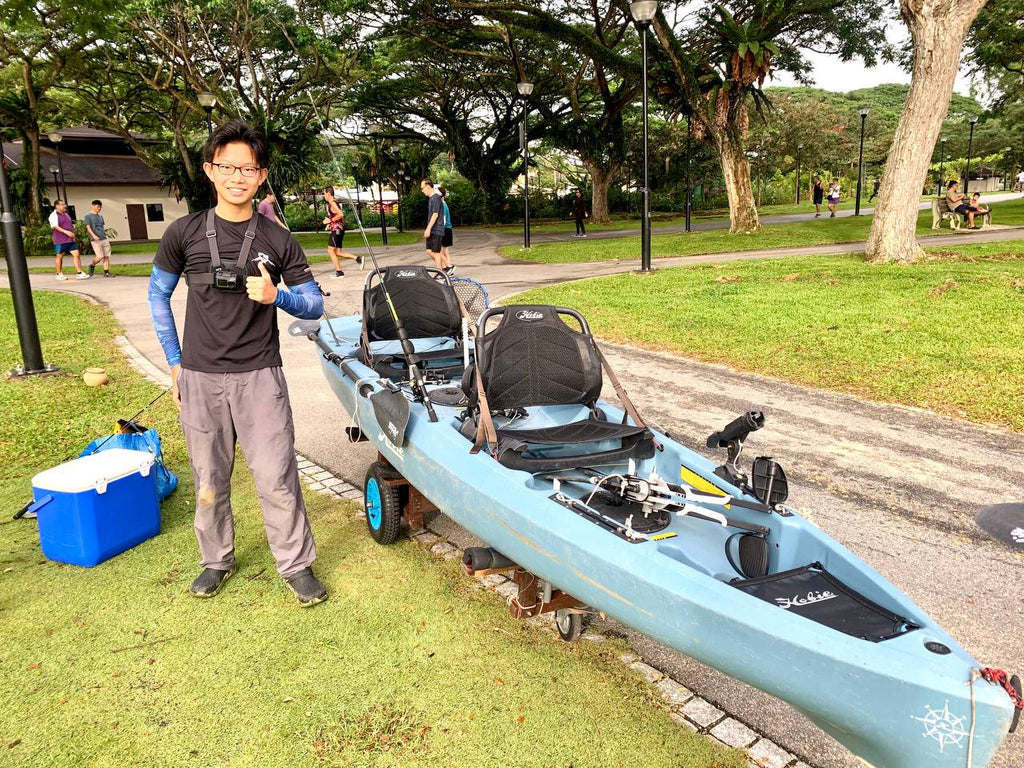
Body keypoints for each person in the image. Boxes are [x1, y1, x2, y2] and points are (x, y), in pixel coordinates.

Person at [147, 119, 328, 607]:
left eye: (247, 168)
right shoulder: (183, 232)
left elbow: (315, 305)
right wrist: (174, 361)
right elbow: (157, 296)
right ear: (210, 170)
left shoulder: (278, 239)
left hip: (259, 375)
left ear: (262, 175)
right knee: (209, 477)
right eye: (227, 166)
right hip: (200, 376)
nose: (237, 176)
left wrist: (277, 296)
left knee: (275, 474)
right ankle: (216, 560)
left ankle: (296, 565)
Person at [322, 186, 362, 277]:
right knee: (338, 252)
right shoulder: (333, 202)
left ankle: (339, 272)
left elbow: (341, 214)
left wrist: (330, 221)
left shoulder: (332, 203)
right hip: (338, 230)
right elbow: (336, 216)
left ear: (328, 194)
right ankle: (358, 259)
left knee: (330, 250)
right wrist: (330, 223)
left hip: (337, 230)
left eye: (324, 194)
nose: (324, 196)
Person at [49, 199, 87, 280]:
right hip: (60, 240)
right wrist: (66, 232)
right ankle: (58, 274)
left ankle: (79, 272)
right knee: (59, 257)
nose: (64, 206)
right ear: (57, 206)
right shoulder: (53, 215)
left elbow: (69, 226)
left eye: (64, 204)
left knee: (76, 254)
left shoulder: (66, 214)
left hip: (70, 239)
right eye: (62, 204)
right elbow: (55, 226)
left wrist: (72, 235)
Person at [83, 200, 113, 277]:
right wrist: (94, 236)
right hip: (95, 239)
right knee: (100, 256)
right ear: (93, 206)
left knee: (106, 255)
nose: (99, 208)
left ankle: (106, 272)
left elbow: (102, 226)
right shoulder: (88, 216)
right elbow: (88, 227)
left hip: (104, 238)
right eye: (97, 207)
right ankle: (92, 265)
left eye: (100, 207)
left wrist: (104, 234)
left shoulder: (100, 217)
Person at [420, 178, 445, 268]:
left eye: (422, 188)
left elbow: (435, 215)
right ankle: (444, 268)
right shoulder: (431, 199)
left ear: (427, 186)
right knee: (429, 250)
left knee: (436, 252)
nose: (422, 191)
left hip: (436, 229)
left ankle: (441, 272)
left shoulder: (436, 198)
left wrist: (428, 229)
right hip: (433, 230)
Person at [437, 185, 454, 276]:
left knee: (436, 250)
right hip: (448, 229)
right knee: (445, 251)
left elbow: (442, 220)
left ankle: (448, 267)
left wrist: (438, 229)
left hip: (443, 229)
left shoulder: (442, 205)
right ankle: (447, 269)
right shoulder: (444, 203)